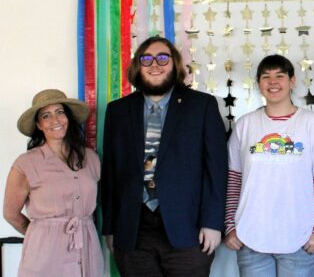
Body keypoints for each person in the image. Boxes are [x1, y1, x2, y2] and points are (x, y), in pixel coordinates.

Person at [101, 35, 228, 276]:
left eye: (162, 58)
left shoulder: (202, 106)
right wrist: (110, 227)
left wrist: (213, 223)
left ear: (175, 64)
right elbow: (110, 174)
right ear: (138, 66)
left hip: (189, 229)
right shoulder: (118, 111)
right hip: (133, 229)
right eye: (146, 59)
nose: (154, 65)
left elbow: (217, 171)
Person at [224, 54, 314, 276]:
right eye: (266, 77)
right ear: (259, 84)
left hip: (301, 239)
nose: (273, 82)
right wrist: (230, 226)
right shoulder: (245, 124)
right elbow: (234, 181)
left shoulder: (311, 123)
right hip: (250, 238)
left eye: (280, 76)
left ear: (292, 81)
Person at [3, 89, 104, 276]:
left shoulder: (91, 158)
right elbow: (10, 213)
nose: (55, 121)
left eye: (60, 112)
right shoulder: (26, 163)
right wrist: (41, 234)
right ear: (39, 125)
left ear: (68, 117)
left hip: (87, 246)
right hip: (45, 254)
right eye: (46, 116)